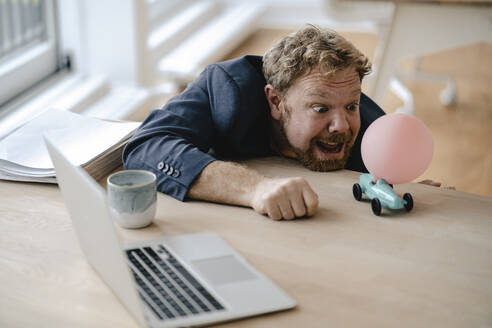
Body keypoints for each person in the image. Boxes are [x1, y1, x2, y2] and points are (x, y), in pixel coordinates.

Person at [122, 25, 385, 221]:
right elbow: (147, 146)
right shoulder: (226, 90)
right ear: (275, 102)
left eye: (351, 106)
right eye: (320, 108)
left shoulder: (376, 134)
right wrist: (256, 188)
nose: (341, 125)